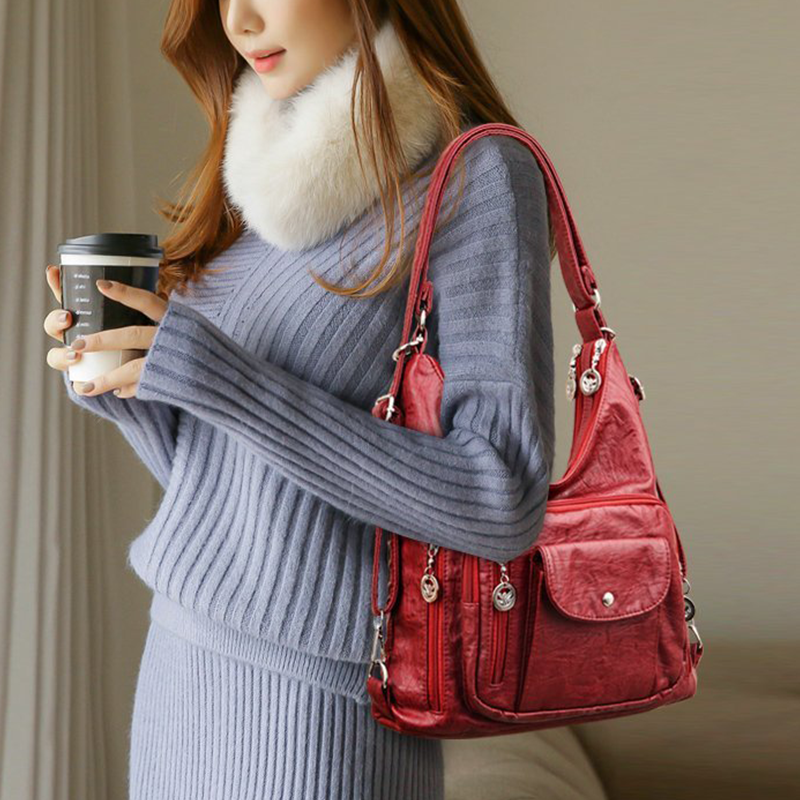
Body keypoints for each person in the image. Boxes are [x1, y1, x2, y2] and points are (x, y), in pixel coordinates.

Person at [43, 1, 556, 797]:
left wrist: (215, 377)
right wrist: (138, 388)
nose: (239, 21)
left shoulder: (477, 173)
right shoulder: (268, 172)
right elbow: (240, 483)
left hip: (319, 712)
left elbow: (502, 501)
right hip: (181, 667)